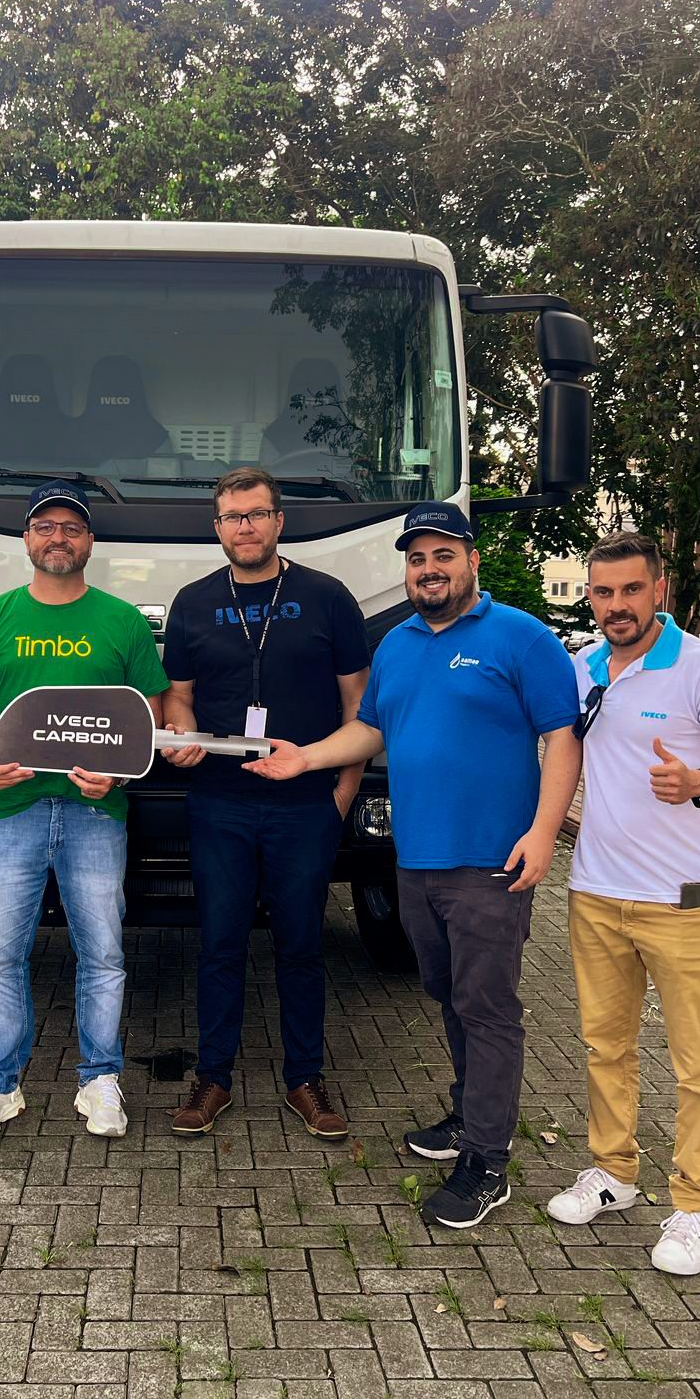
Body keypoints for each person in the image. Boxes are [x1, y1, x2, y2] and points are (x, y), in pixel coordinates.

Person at [246, 500, 581, 1225]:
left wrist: (544, 831)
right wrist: (305, 758)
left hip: (492, 862)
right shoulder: (396, 644)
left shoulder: (522, 636)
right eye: (418, 558)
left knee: (487, 1009)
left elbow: (563, 736)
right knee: (448, 994)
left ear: (472, 561)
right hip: (416, 860)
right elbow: (371, 729)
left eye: (444, 555)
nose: (429, 569)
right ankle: (467, 1115)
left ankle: (487, 1162)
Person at [548, 531, 700, 1275]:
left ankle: (695, 1207)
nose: (616, 605)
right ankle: (613, 1173)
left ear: (659, 590)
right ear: (590, 596)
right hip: (596, 890)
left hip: (686, 897)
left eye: (630, 590)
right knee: (605, 1046)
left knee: (697, 1062)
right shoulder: (582, 667)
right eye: (603, 592)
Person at [0, 480, 168, 1141]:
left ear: (90, 541)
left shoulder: (122, 621)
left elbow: (150, 713)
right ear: (26, 540)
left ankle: (99, 1080)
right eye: (45, 527)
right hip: (10, 810)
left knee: (102, 954)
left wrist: (118, 769)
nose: (58, 537)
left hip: (95, 815)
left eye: (71, 527)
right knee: (0, 956)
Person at [160, 467, 371, 1140]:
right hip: (218, 803)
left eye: (255, 514)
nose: (244, 527)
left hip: (304, 803)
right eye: (232, 517)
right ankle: (212, 1078)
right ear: (217, 528)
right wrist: (181, 736)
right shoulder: (193, 602)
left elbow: (358, 705)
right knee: (219, 944)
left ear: (279, 521)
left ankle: (305, 1079)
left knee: (301, 945)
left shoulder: (326, 597)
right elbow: (179, 696)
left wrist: (342, 793)